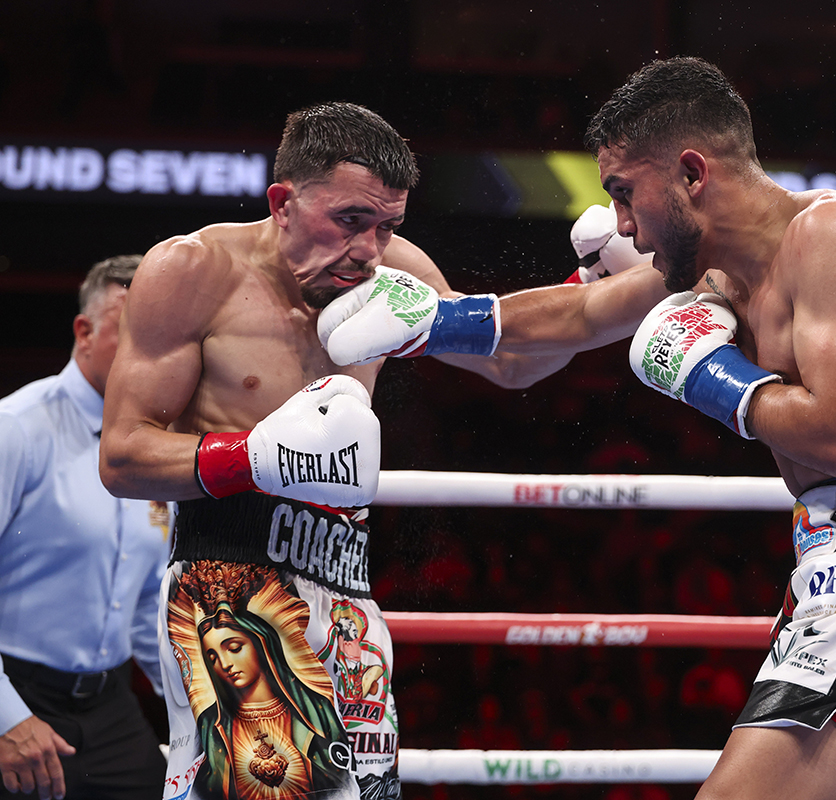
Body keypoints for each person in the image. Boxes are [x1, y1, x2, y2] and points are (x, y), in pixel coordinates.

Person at [318, 57, 836, 800]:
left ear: (690, 173)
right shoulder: (719, 272)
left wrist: (711, 373)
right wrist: (433, 322)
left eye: (624, 193)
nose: (620, 225)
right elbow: (577, 314)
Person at [97, 102, 570, 800]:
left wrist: (595, 287)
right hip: (228, 588)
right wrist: (254, 457)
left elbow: (510, 364)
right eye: (350, 221)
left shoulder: (392, 270)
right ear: (282, 203)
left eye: (387, 226)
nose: (369, 250)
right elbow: (123, 456)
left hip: (347, 590)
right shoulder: (193, 269)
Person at [0, 255, 171, 800]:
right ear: (84, 331)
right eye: (132, 331)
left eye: (159, 334)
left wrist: (203, 708)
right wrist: (4, 718)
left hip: (109, 706)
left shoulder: (160, 445)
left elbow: (145, 603)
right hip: (16, 691)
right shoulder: (18, 429)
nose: (150, 354)